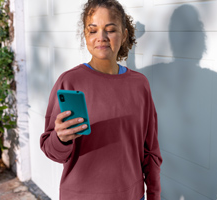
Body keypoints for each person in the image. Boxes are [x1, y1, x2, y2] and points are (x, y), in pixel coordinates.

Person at [39, 0, 162, 200]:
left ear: (124, 35)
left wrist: (154, 194)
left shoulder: (140, 85)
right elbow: (52, 151)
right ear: (85, 36)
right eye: (93, 30)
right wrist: (61, 138)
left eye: (110, 30)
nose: (101, 37)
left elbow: (151, 149)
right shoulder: (69, 81)